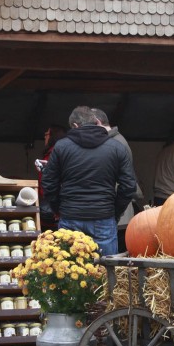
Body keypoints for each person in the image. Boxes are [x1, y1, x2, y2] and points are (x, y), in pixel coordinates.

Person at [41, 105, 137, 256]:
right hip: (103, 217)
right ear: (97, 122)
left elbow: (48, 183)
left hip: (70, 216)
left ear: (75, 125)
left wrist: (58, 208)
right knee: (105, 268)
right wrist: (114, 212)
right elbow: (129, 186)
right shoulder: (117, 148)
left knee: (70, 268)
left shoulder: (61, 147)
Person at [91, 108, 144, 253]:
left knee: (115, 254)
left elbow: (126, 182)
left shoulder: (116, 144)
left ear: (98, 122)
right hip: (115, 211)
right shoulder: (113, 141)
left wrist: (115, 212)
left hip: (118, 212)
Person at [36, 124, 66, 231]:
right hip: (51, 200)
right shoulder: (54, 151)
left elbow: (53, 179)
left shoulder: (55, 152)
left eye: (47, 134)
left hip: (54, 201)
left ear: (53, 135)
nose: (45, 137)